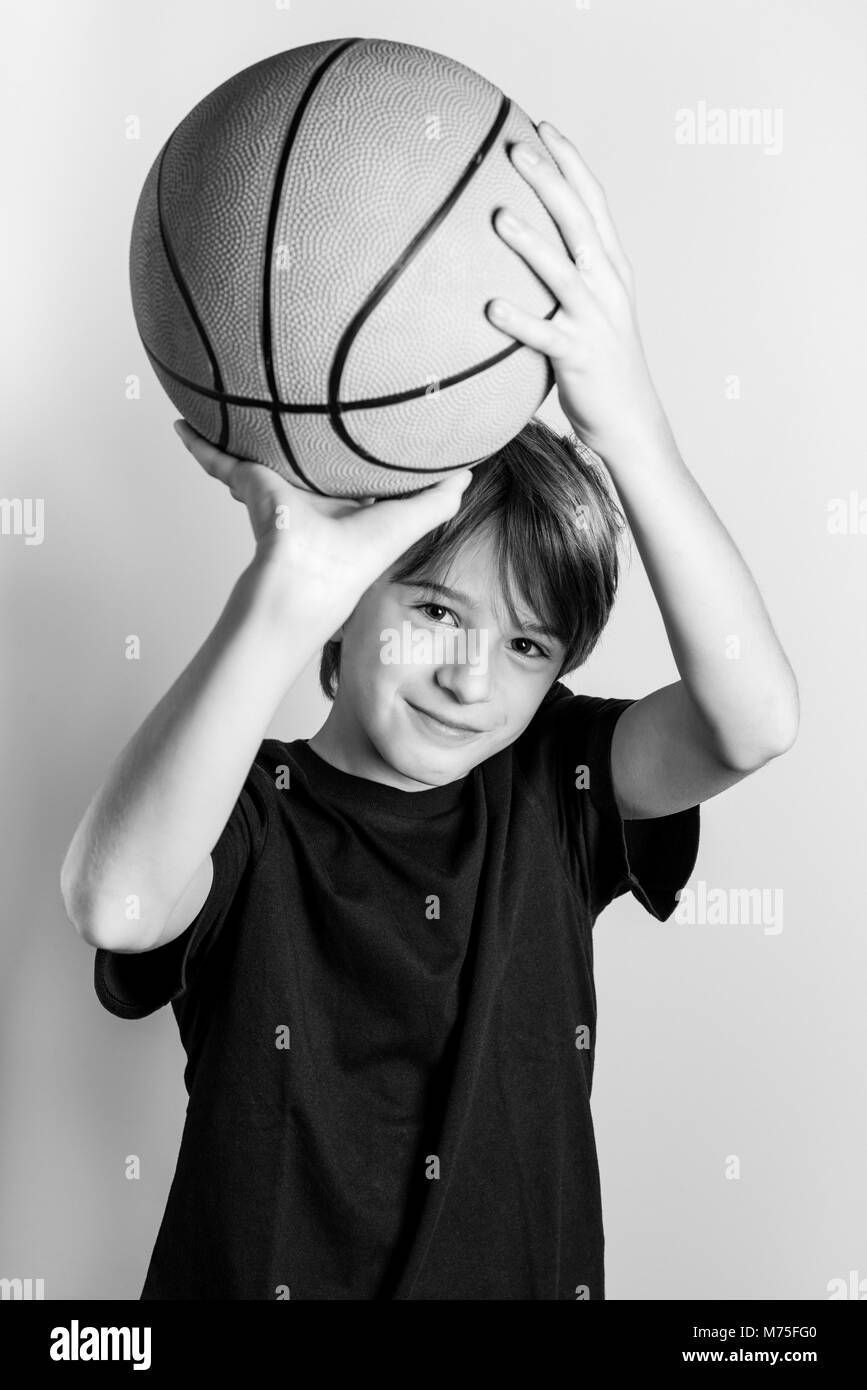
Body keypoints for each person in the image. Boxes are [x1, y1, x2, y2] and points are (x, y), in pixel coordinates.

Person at [60, 123, 799, 1299]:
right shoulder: (247, 810)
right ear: (350, 604)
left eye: (524, 644)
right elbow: (119, 898)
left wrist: (634, 431)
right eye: (437, 613)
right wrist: (281, 596)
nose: (471, 677)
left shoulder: (559, 785)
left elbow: (754, 721)